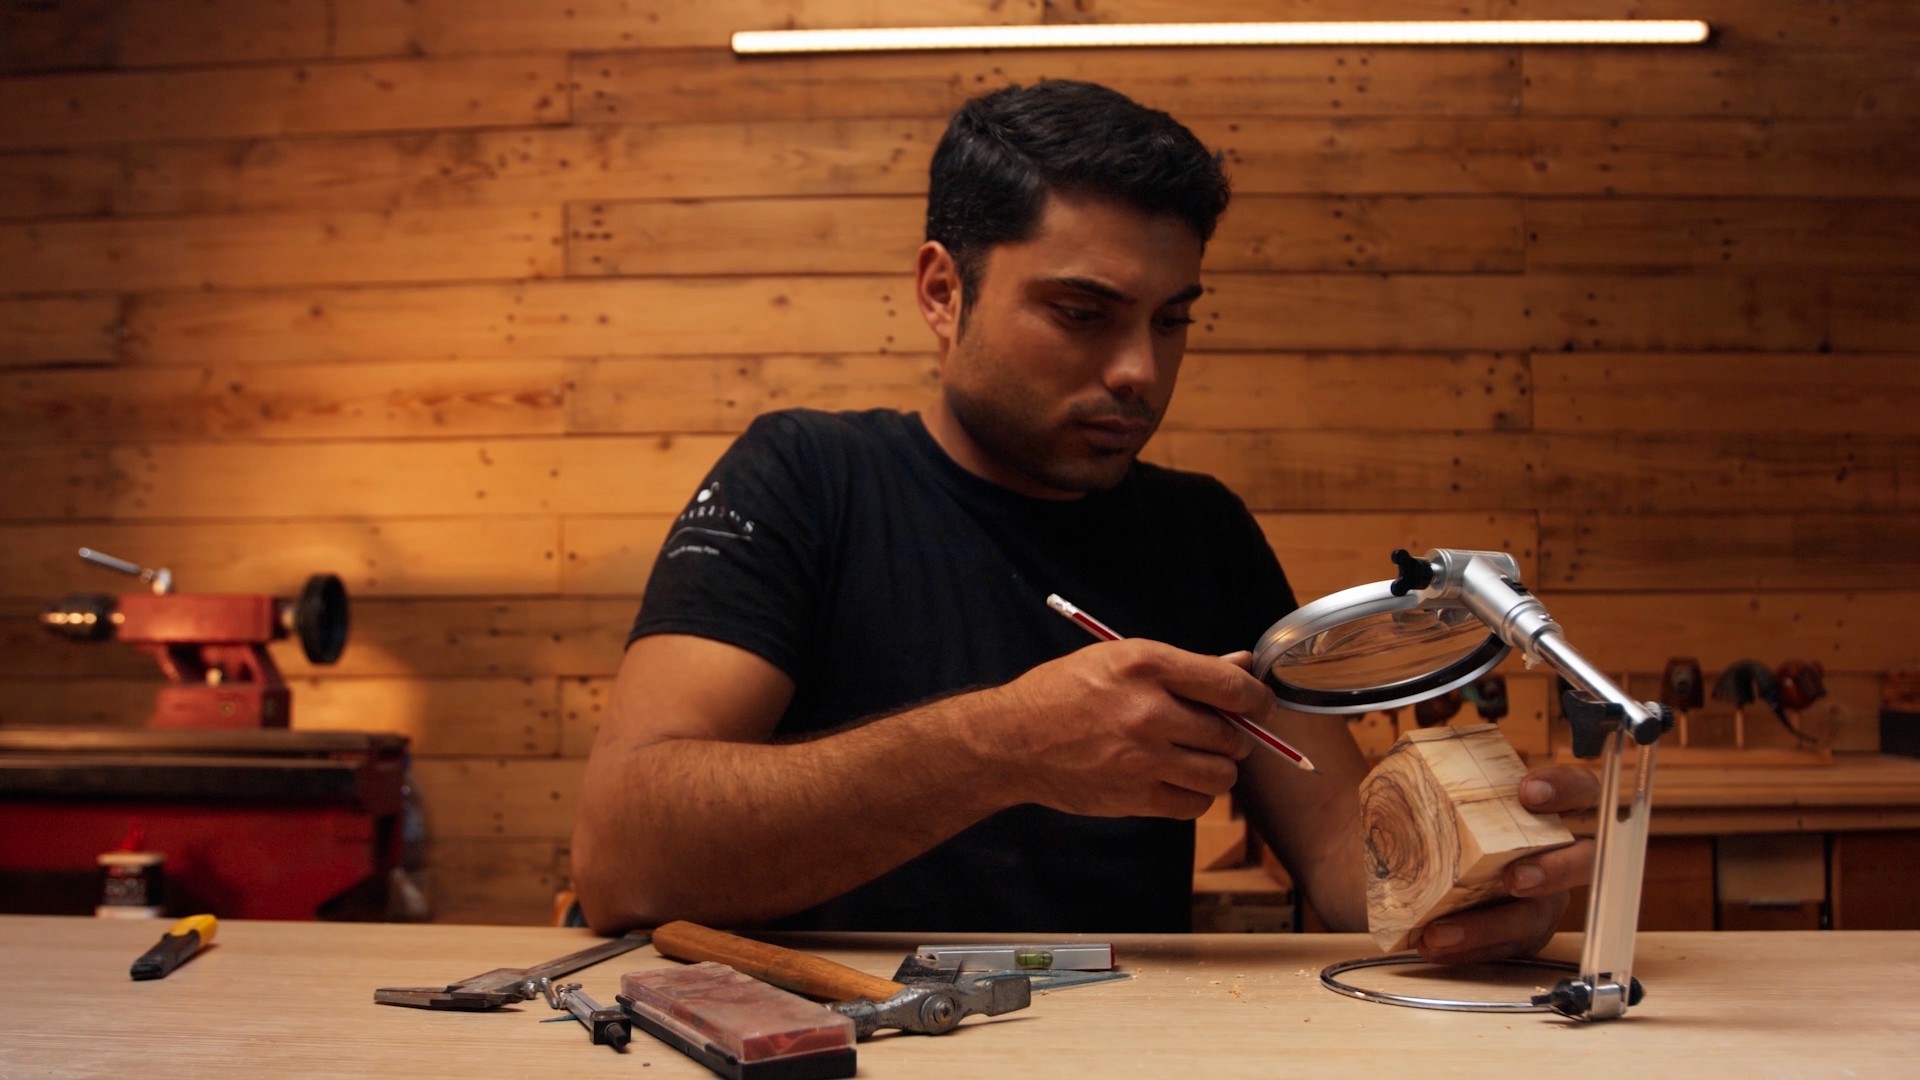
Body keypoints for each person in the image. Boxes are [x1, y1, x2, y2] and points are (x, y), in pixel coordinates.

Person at [571, 80, 1597, 962]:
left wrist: (1475, 880)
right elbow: (624, 858)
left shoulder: (1202, 533)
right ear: (942, 292)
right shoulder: (804, 477)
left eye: (1173, 319)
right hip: (827, 1041)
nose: (1139, 373)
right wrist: (998, 745)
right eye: (1081, 314)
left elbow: (1337, 846)